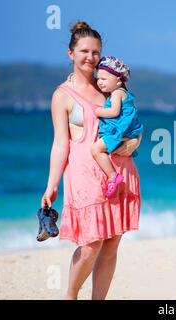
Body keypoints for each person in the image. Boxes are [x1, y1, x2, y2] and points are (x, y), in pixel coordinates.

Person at [41, 21, 142, 300]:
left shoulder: (109, 88)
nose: (91, 57)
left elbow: (132, 123)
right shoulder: (63, 95)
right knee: (90, 244)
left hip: (119, 170)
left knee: (111, 245)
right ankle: (71, 296)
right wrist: (52, 184)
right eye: (84, 51)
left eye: (96, 52)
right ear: (71, 53)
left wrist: (136, 142)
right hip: (85, 176)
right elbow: (60, 143)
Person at [91, 56, 143, 198]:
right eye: (98, 78)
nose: (99, 82)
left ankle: (112, 176)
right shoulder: (124, 93)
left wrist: (98, 111)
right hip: (123, 132)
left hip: (116, 132)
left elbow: (114, 112)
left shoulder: (116, 94)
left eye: (104, 79)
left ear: (118, 80)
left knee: (96, 150)